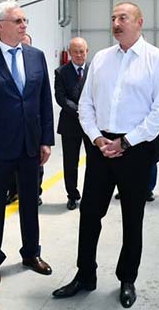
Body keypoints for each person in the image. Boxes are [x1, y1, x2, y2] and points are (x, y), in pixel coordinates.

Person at [52, 2, 159, 308]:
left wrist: (126, 142)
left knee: (132, 217)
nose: (116, 23)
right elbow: (86, 105)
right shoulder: (102, 59)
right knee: (89, 214)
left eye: (123, 18)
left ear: (139, 22)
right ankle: (85, 275)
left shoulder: (157, 60)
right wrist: (96, 137)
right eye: (113, 18)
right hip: (101, 148)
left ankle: (127, 278)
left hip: (136, 149)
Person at [0, 1, 54, 288]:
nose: (24, 25)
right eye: (18, 21)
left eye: (25, 20)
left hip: (30, 146)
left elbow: (44, 99)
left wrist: (46, 140)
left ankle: (31, 254)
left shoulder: (36, 56)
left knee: (30, 203)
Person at [5, 33, 45, 207]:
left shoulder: (36, 61)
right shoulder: (6, 64)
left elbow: (43, 98)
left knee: (36, 167)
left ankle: (36, 192)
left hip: (32, 128)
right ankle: (13, 192)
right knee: (11, 166)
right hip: (10, 129)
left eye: (26, 45)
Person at [54, 37, 91, 210]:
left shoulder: (94, 70)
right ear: (69, 53)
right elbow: (60, 97)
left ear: (87, 51)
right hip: (70, 123)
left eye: (81, 51)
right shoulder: (61, 72)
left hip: (91, 124)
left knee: (94, 162)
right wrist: (79, 111)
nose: (79, 55)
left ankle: (91, 195)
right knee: (70, 163)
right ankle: (72, 195)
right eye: (75, 52)